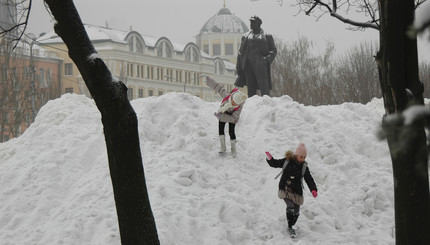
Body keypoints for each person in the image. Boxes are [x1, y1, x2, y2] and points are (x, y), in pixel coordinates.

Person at [265, 143, 318, 237]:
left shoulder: (304, 167)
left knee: (296, 211)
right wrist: (270, 159)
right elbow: (275, 163)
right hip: (285, 188)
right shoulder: (287, 161)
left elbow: (309, 179)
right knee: (290, 206)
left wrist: (313, 189)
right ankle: (290, 226)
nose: (302, 159)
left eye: (304, 157)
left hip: (296, 190)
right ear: (296, 155)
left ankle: (292, 222)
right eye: (301, 157)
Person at [205, 76, 248, 158]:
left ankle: (233, 150)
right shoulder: (228, 96)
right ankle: (223, 147)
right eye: (232, 101)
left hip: (232, 118)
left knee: (231, 131)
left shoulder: (239, 107)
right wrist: (210, 81)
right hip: (223, 112)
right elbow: (219, 88)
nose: (232, 103)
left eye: (234, 104)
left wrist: (221, 116)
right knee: (221, 129)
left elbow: (233, 118)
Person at [235, 15, 277, 97]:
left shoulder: (266, 36)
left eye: (253, 22)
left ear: (259, 24)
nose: (251, 24)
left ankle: (266, 102)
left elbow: (273, 51)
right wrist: (239, 67)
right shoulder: (245, 36)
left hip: (260, 65)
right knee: (250, 88)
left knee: (264, 87)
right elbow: (240, 53)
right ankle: (252, 104)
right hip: (248, 65)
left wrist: (266, 60)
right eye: (250, 22)